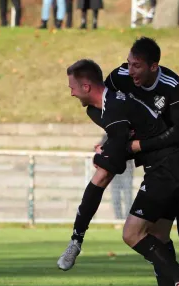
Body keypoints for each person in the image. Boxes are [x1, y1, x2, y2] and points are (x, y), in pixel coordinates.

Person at [105, 37, 179, 286]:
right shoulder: (119, 77)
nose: (131, 71)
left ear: (154, 66)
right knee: (160, 237)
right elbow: (108, 107)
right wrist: (111, 137)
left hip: (169, 166)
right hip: (159, 166)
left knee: (132, 234)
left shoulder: (171, 84)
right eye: (129, 64)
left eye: (137, 66)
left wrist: (139, 145)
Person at [57, 59, 135, 272]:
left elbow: (121, 142)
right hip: (139, 147)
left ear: (86, 86)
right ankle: (76, 241)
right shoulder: (93, 111)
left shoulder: (117, 101)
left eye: (72, 88)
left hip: (162, 150)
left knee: (154, 229)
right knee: (102, 175)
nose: (72, 93)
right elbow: (118, 136)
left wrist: (102, 155)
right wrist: (106, 148)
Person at [97, 134, 134, 220]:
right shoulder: (108, 135)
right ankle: (118, 219)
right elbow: (101, 147)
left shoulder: (128, 134)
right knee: (115, 196)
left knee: (128, 195)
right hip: (113, 171)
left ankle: (127, 219)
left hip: (127, 170)